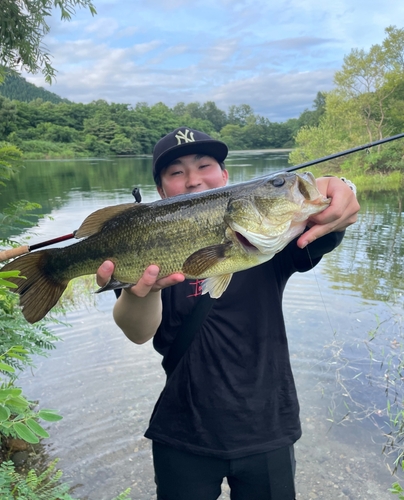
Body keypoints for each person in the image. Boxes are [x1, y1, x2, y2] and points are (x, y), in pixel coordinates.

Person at [97, 128, 360, 500]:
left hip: (268, 426)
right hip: (181, 429)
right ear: (160, 193)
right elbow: (138, 332)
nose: (193, 179)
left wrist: (342, 185)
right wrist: (141, 294)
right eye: (176, 173)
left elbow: (331, 215)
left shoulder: (278, 238)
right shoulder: (149, 243)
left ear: (225, 177)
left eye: (205, 165)